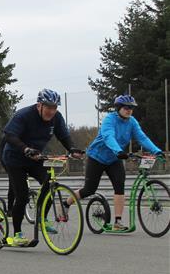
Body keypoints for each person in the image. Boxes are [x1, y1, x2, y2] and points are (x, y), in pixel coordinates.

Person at [63, 95, 164, 231]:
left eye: (131, 108)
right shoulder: (109, 120)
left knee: (119, 185)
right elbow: (108, 136)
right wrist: (118, 151)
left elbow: (142, 138)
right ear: (118, 108)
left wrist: (157, 151)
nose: (129, 110)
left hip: (114, 159)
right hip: (97, 157)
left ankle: (117, 222)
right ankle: (66, 203)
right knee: (89, 189)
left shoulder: (132, 122)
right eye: (126, 108)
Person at [1, 89, 81, 245]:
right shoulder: (24, 115)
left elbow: (64, 136)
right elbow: (10, 135)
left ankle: (41, 218)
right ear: (39, 105)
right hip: (14, 159)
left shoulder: (56, 117)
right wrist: (25, 149)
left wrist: (72, 149)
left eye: (54, 107)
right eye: (48, 107)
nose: (51, 111)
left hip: (35, 158)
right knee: (22, 196)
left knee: (50, 183)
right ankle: (17, 234)